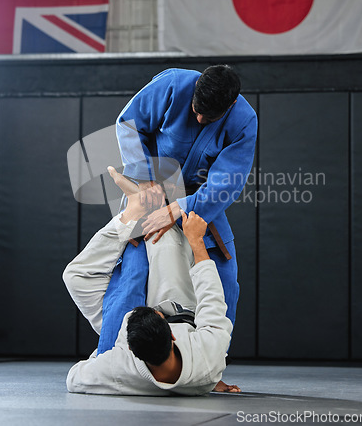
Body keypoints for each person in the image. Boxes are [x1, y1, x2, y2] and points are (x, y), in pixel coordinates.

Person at [97, 65, 257, 353]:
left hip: (201, 199)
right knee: (134, 275)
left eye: (207, 118)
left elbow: (227, 182)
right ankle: (109, 357)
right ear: (195, 89)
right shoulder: (173, 85)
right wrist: (146, 182)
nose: (198, 118)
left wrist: (177, 209)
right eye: (196, 110)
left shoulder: (243, 121)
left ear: (231, 105)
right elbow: (127, 124)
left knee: (224, 277)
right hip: (149, 189)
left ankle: (211, 366)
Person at [63, 167, 240, 395]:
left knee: (74, 277)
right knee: (165, 241)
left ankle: (133, 210)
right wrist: (196, 240)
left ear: (129, 347)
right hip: (180, 308)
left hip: (137, 340)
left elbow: (74, 378)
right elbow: (212, 298)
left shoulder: (118, 366)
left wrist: (103, 354)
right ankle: (149, 206)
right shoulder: (207, 356)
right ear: (172, 334)